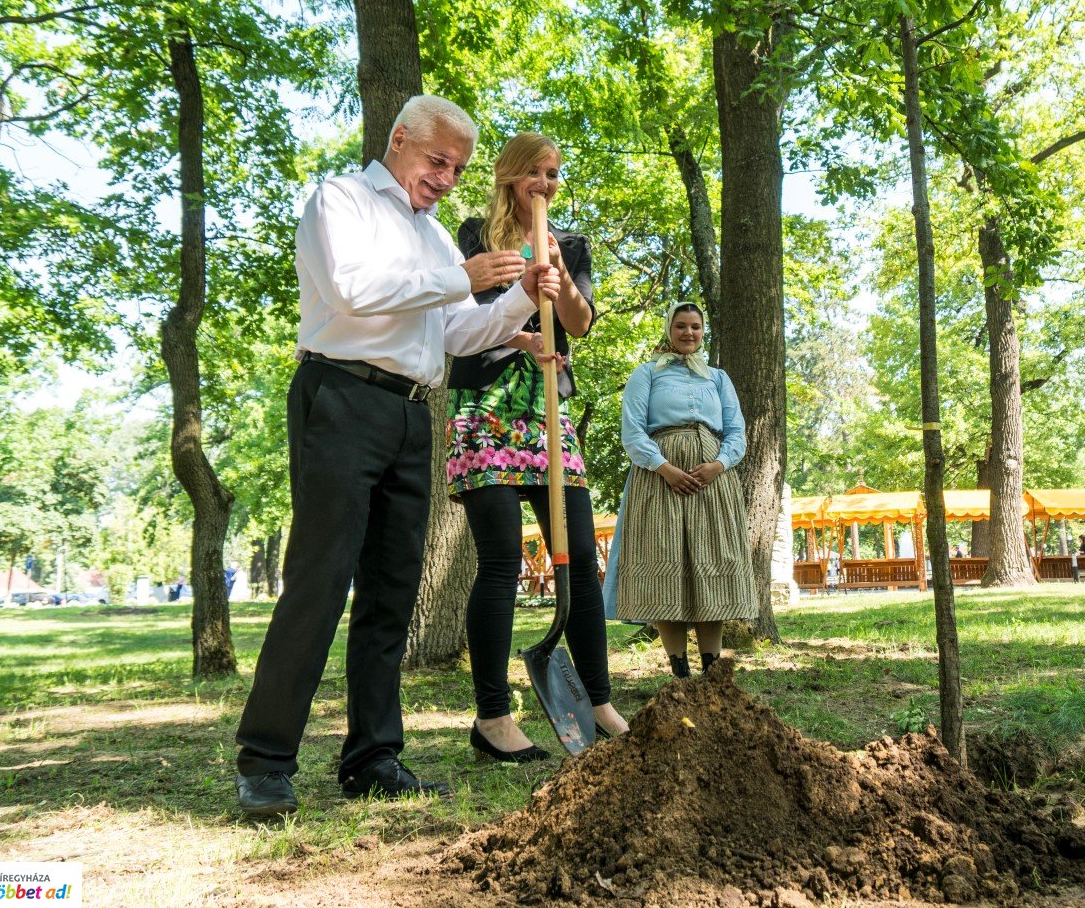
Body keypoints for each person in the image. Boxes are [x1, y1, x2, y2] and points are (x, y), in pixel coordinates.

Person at [233, 96, 560, 819]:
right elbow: (351, 293)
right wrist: (464, 278)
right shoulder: (339, 200)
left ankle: (373, 756)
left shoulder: (438, 239)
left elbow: (454, 334)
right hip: (340, 398)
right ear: (398, 140)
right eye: (435, 161)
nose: (445, 179)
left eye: (458, 168)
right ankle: (265, 759)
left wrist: (515, 305)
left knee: (393, 593)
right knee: (319, 581)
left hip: (413, 414)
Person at [445, 131, 627, 761]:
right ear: (511, 176)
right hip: (486, 411)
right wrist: (520, 319)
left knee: (577, 551)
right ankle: (492, 717)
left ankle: (598, 699)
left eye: (554, 174)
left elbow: (578, 323)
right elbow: (466, 320)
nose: (547, 184)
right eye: (537, 173)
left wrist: (558, 275)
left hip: (549, 414)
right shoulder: (473, 234)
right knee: (498, 561)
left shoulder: (569, 244)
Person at [604, 302, 755, 678]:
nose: (689, 333)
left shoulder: (718, 379)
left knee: (709, 563)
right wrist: (665, 468)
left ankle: (712, 672)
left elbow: (736, 433)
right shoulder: (646, 374)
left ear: (703, 331)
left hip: (712, 483)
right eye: (681, 326)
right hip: (659, 482)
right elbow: (633, 432)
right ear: (668, 329)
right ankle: (679, 673)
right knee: (665, 566)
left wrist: (718, 465)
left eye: (696, 326)